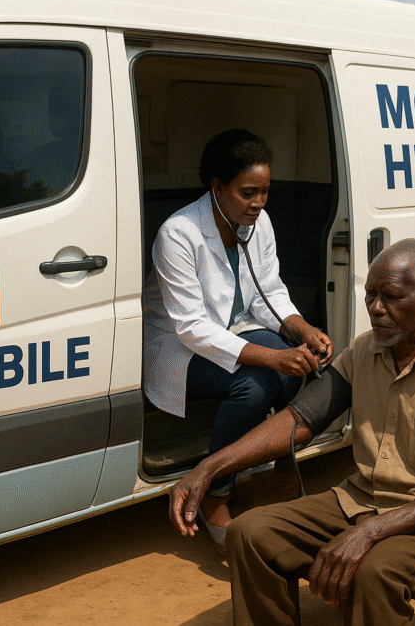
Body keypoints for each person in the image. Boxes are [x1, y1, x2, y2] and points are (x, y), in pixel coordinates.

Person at [170, 238, 415, 626]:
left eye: (392, 297)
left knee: (373, 573)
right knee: (250, 533)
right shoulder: (365, 351)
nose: (376, 308)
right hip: (361, 500)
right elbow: (300, 420)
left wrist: (370, 532)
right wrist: (211, 467)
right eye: (371, 294)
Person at [143, 129, 333, 545]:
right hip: (177, 346)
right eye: (248, 193)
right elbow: (192, 327)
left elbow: (268, 293)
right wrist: (273, 357)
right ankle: (215, 495)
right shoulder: (178, 234)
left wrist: (304, 330)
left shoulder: (256, 224)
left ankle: (274, 465)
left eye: (265, 192)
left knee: (301, 364)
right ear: (217, 186)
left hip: (233, 331)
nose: (259, 203)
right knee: (254, 385)